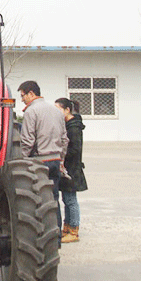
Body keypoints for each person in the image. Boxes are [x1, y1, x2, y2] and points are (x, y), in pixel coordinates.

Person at [18, 81, 69, 240]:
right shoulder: (56, 111)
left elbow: (27, 141)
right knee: (53, 200)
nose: (22, 100)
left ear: (31, 93)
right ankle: (56, 238)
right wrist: (61, 160)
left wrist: (22, 161)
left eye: (23, 96)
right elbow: (64, 140)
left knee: (37, 203)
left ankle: (40, 238)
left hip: (39, 162)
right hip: (55, 160)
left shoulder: (31, 112)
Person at [55, 98, 87, 243]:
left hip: (72, 169)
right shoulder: (68, 124)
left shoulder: (73, 127)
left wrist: (62, 156)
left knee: (71, 200)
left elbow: (74, 149)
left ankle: (74, 230)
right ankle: (67, 227)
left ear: (67, 110)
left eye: (59, 109)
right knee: (66, 199)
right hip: (67, 167)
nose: (56, 112)